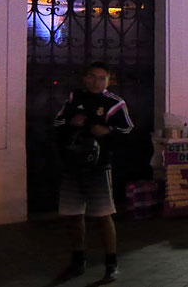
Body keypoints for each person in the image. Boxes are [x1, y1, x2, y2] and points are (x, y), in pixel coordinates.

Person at [54, 61, 133, 281]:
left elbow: (128, 131)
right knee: (73, 215)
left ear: (108, 81)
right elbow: (57, 123)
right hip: (73, 165)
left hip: (98, 167)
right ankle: (78, 259)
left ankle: (111, 263)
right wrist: (71, 122)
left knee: (103, 215)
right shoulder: (74, 98)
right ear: (85, 78)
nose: (96, 81)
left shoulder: (115, 104)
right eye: (92, 76)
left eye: (102, 78)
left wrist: (107, 131)